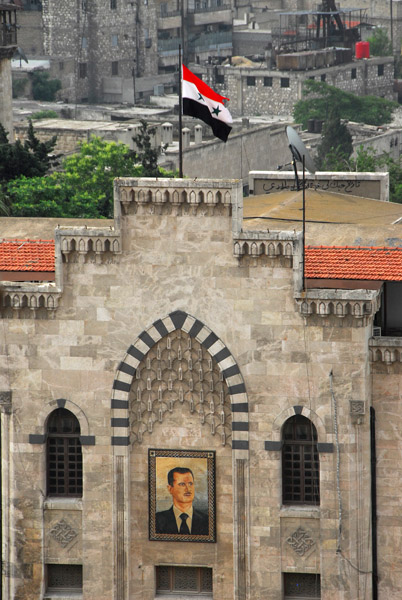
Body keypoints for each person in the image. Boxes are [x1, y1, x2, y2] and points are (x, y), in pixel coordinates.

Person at [155, 467, 209, 535]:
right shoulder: (157, 520)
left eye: (190, 484)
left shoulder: (207, 520)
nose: (188, 489)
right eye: (182, 484)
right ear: (170, 489)